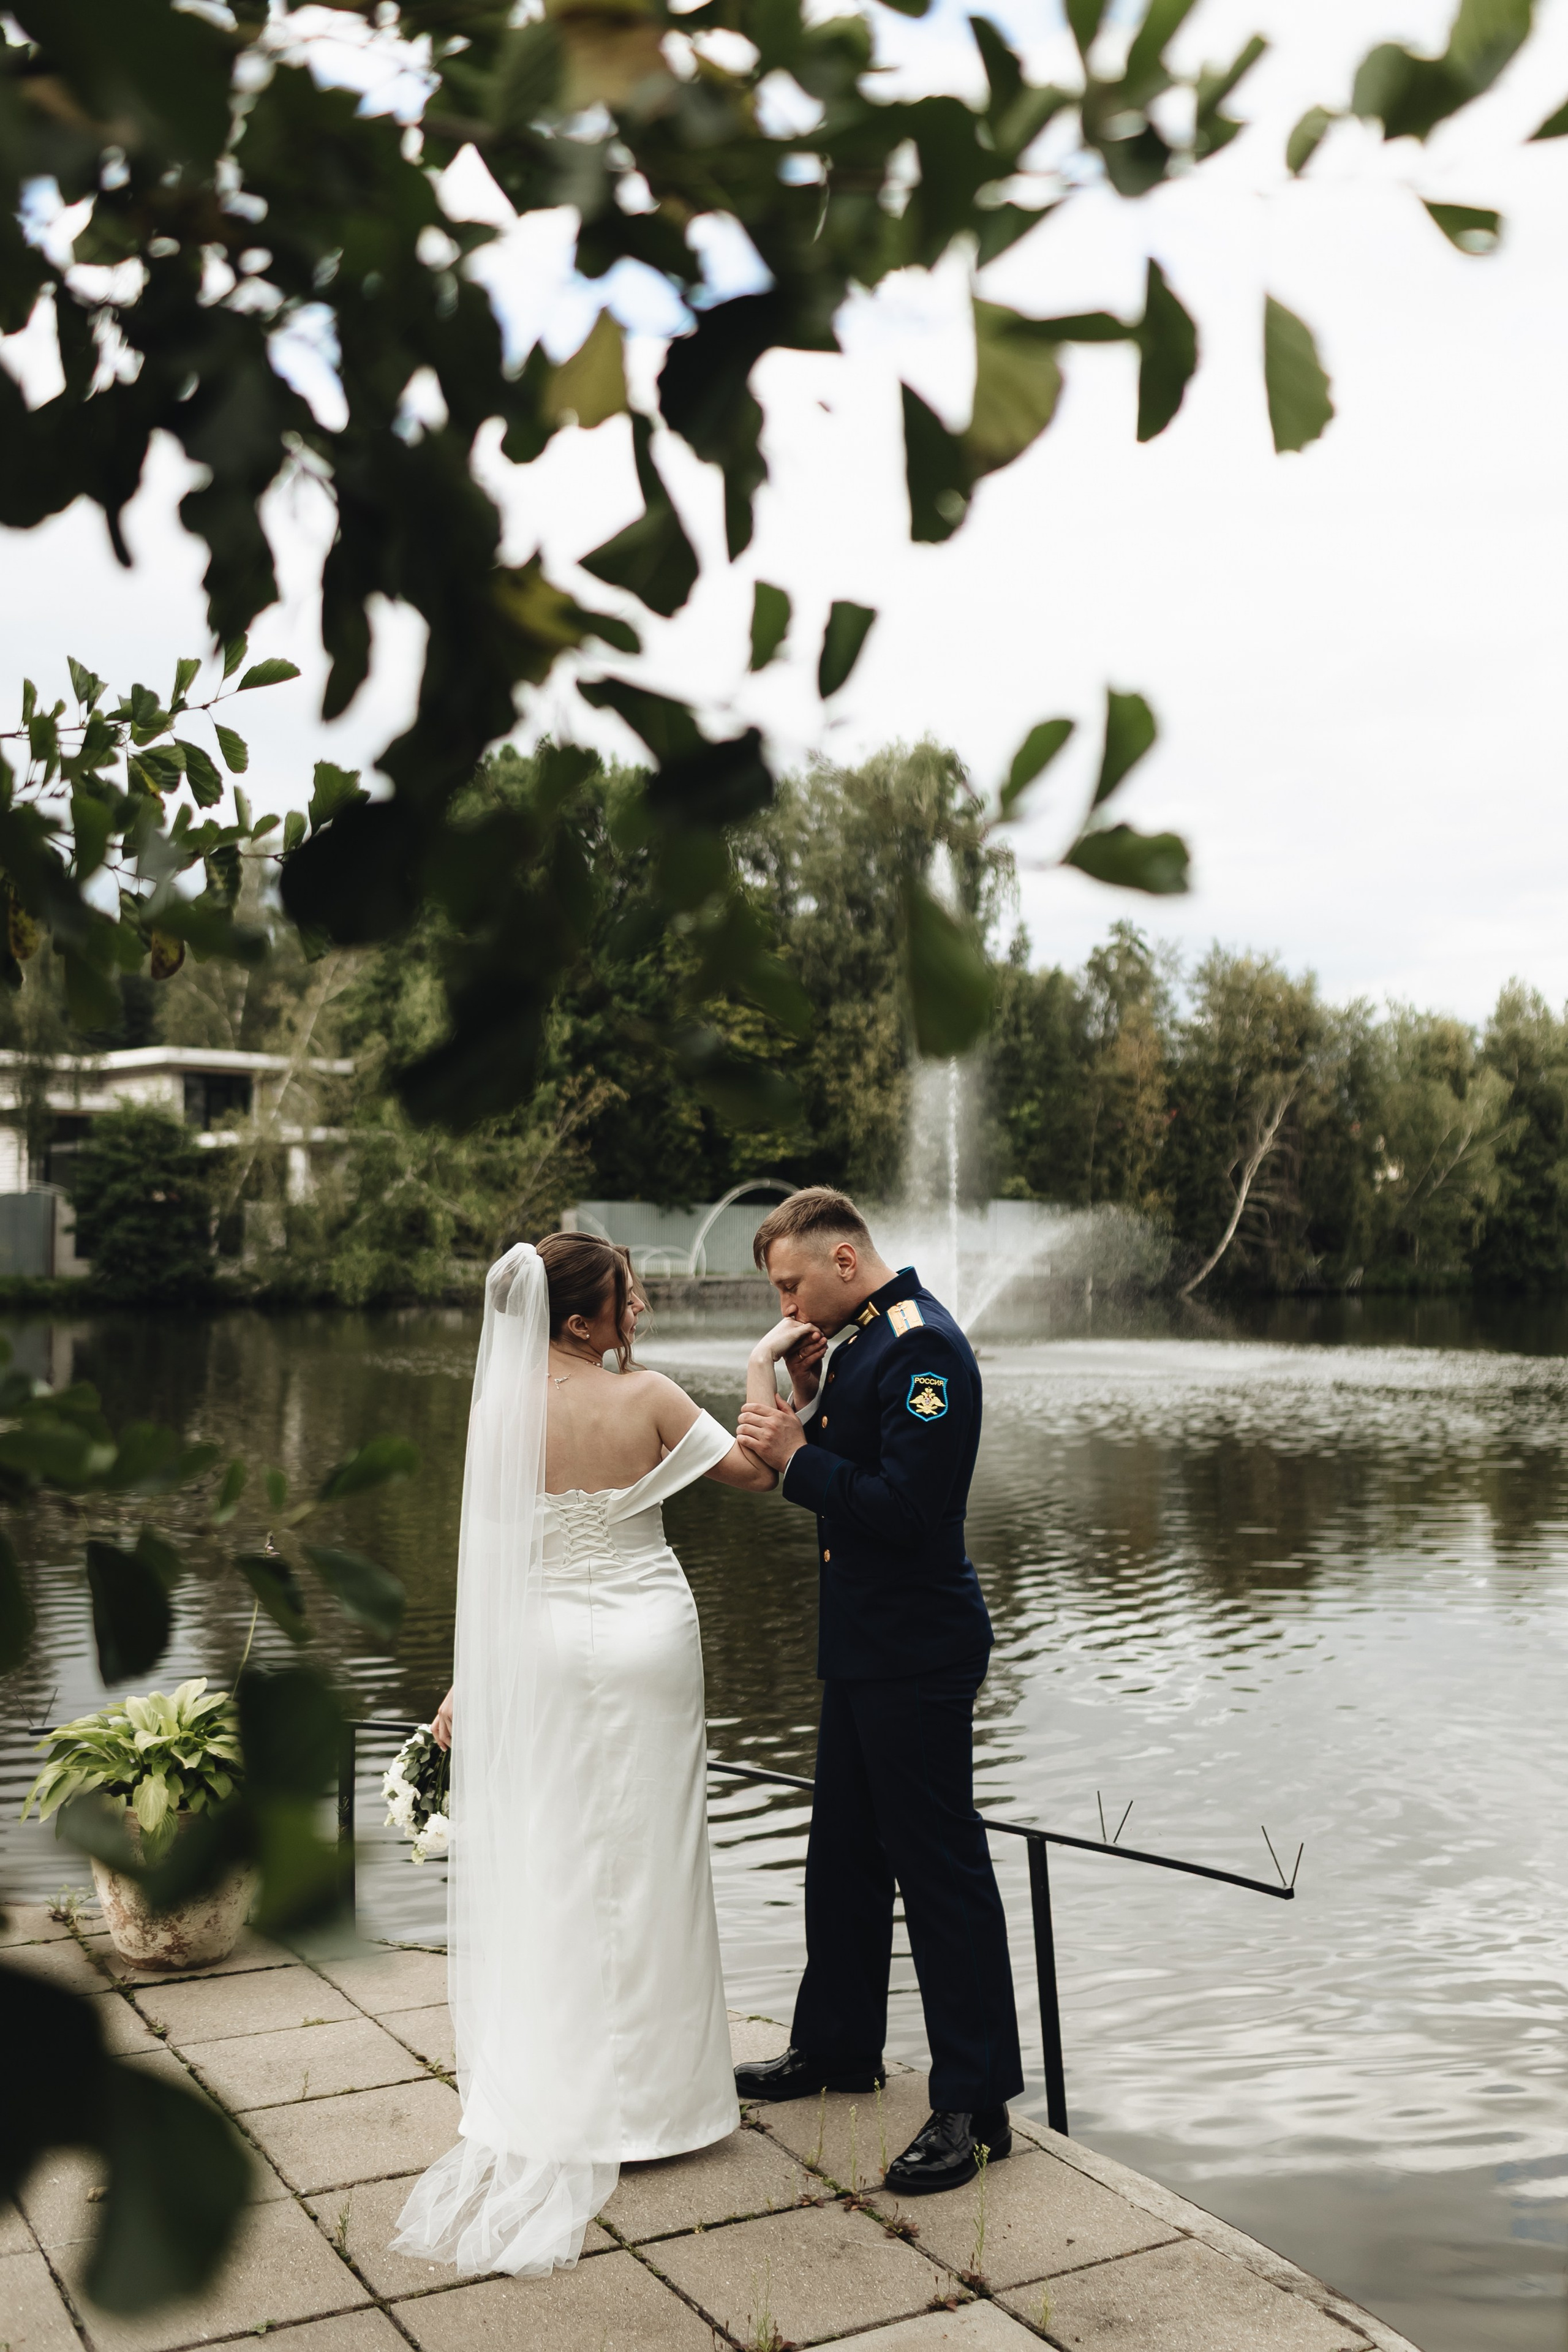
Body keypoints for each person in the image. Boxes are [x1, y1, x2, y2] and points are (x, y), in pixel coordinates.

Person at [395, 1234, 782, 2277]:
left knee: (558, 1857)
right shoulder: (649, 1396)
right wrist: (763, 1378)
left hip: (544, 1647)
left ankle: (559, 2088)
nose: (644, 1306)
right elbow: (754, 1474)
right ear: (580, 1320)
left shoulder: (497, 1414)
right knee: (655, 1859)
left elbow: (495, 1564)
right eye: (628, 1294)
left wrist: (468, 1682)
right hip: (649, 1641)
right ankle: (663, 2106)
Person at [734, 1186, 1023, 2194]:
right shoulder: (858, 1337)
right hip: (864, 1643)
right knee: (845, 1856)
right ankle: (840, 2048)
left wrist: (799, 1457)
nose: (786, 1309)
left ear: (845, 1260)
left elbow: (905, 1511)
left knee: (942, 1874)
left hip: (918, 1650)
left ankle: (977, 2109)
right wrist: (812, 1407)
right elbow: (857, 1466)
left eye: (792, 1286)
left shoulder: (923, 1348)